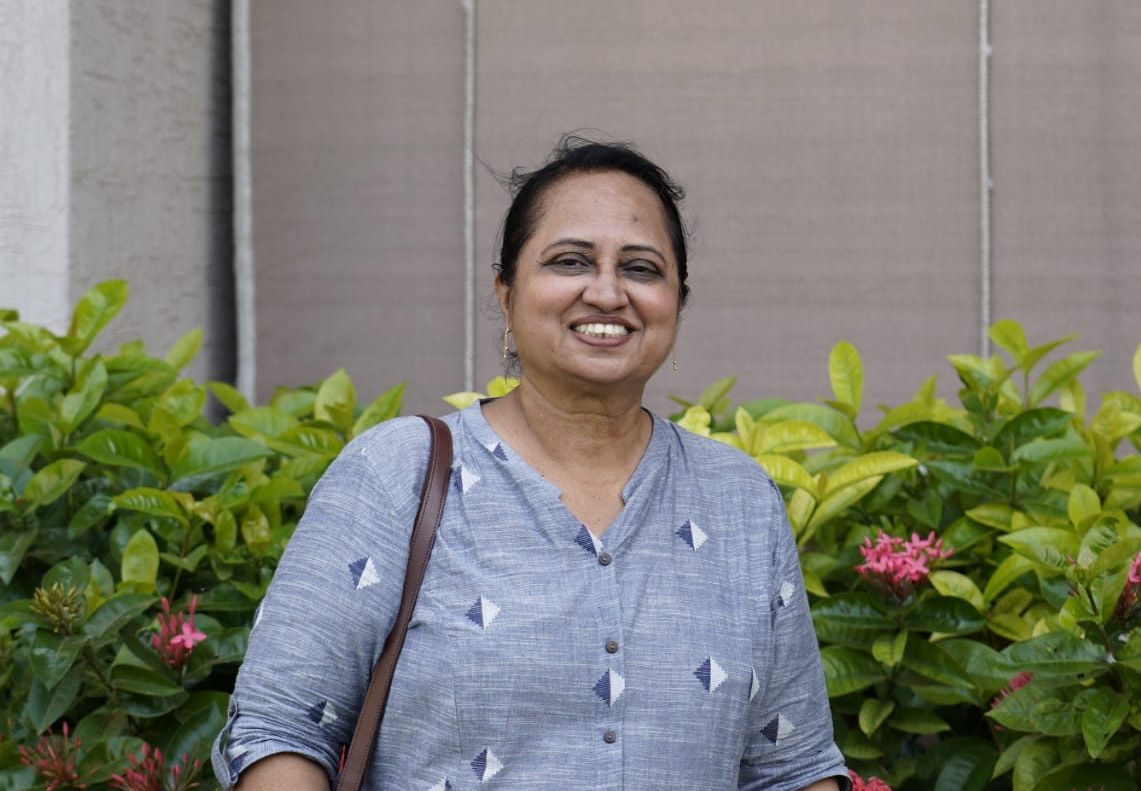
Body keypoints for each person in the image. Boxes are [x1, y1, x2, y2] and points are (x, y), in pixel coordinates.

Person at [213, 136, 850, 790]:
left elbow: (791, 766)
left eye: (640, 268)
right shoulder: (396, 475)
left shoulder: (737, 498)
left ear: (676, 302)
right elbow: (279, 732)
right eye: (570, 261)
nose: (606, 292)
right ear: (506, 292)